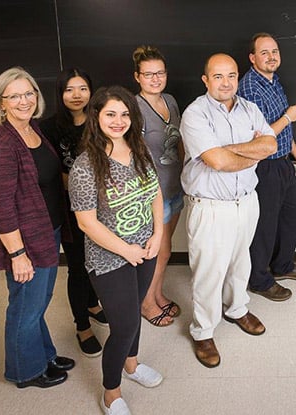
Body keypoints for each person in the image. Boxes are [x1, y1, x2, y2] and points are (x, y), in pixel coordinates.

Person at [69, 86, 165, 414]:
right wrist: (127, 250)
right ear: (96, 116)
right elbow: (87, 223)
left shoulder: (140, 149)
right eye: (110, 113)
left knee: (134, 312)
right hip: (109, 256)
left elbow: (155, 193)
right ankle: (111, 393)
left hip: (146, 248)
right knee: (123, 324)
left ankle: (133, 365)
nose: (118, 120)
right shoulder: (86, 165)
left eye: (125, 114)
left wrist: (159, 233)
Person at [0, 67, 75, 388]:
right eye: (15, 96)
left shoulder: (34, 129)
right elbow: (1, 209)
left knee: (39, 301)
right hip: (26, 240)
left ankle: (44, 355)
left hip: (49, 230)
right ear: (1, 103)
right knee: (25, 306)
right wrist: (17, 254)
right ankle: (25, 371)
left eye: (29, 93)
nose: (24, 101)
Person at [180, 53, 277, 368]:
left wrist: (229, 150)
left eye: (231, 75)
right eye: (218, 76)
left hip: (247, 200)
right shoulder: (195, 114)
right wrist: (249, 153)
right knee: (210, 270)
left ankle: (237, 309)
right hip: (210, 206)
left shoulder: (250, 108)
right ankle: (203, 331)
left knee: (240, 260)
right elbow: (217, 162)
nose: (226, 82)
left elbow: (271, 145)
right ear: (206, 80)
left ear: (238, 77)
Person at [237, 33, 296, 302]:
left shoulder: (274, 80)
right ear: (252, 58)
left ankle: (282, 265)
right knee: (265, 225)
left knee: (293, 214)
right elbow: (258, 137)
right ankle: (259, 279)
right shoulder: (249, 87)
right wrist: (288, 116)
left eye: (275, 51)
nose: (271, 57)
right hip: (263, 167)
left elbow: (284, 129)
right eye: (264, 52)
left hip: (283, 162)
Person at [40, 68, 107, 358]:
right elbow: (49, 171)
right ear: (60, 93)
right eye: (69, 89)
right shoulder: (47, 128)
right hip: (69, 209)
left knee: (98, 260)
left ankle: (92, 305)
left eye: (82, 88)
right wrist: (75, 181)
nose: (77, 95)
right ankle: (82, 325)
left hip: (103, 206)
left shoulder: (101, 122)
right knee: (78, 266)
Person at [132, 45, 185, 326]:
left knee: (166, 250)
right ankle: (145, 303)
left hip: (175, 186)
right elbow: (131, 155)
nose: (155, 79)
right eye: (148, 74)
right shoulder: (134, 108)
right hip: (154, 194)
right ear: (137, 76)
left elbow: (178, 141)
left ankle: (157, 294)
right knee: (156, 251)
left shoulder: (171, 100)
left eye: (160, 73)